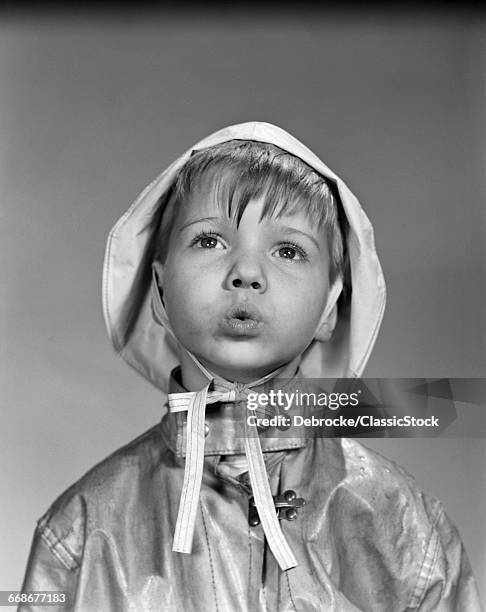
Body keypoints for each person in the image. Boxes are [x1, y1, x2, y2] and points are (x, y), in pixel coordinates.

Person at [20, 122, 482, 611]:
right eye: (210, 241)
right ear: (159, 290)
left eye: (288, 250)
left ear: (331, 306)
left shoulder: (408, 529)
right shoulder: (80, 531)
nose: (246, 272)